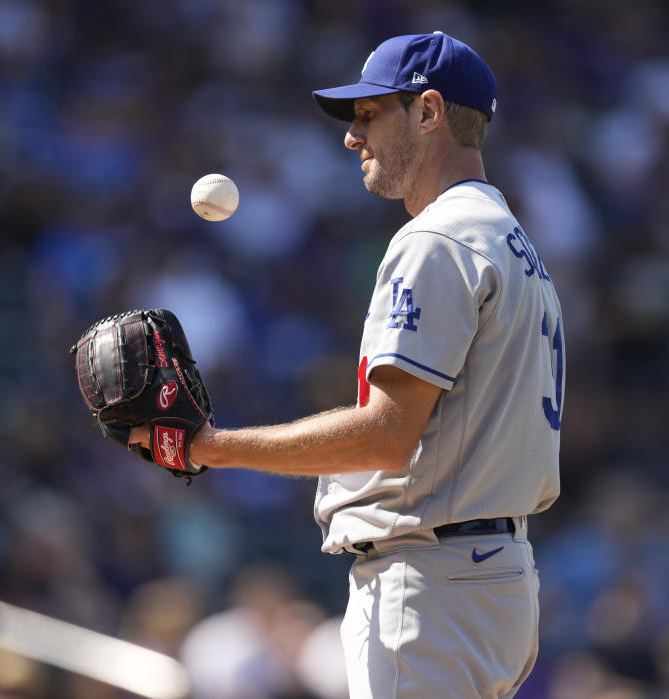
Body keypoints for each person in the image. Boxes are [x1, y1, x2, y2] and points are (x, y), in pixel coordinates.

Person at [134, 31, 565, 697]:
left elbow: (388, 434)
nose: (351, 136)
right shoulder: (510, 240)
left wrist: (210, 447)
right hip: (492, 574)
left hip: (433, 584)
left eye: (369, 114)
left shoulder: (436, 239)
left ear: (428, 112)